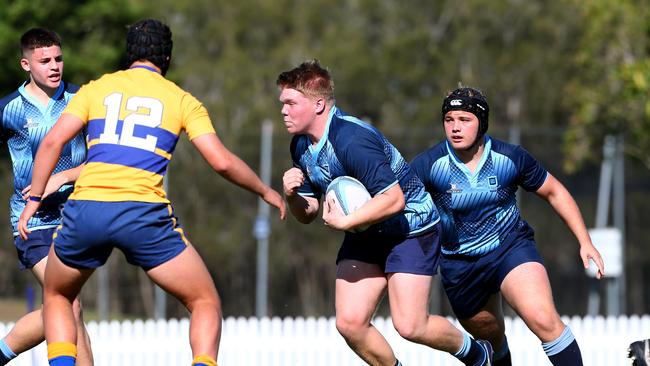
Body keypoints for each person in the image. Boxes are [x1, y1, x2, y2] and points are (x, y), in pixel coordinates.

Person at [18, 18, 286, 366]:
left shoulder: (97, 88)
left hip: (87, 209)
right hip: (142, 214)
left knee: (57, 294)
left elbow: (52, 141)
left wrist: (34, 201)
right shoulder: (182, 100)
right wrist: (264, 190)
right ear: (167, 59)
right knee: (205, 302)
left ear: (128, 55)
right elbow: (221, 162)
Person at [279, 60, 493, 366]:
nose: (284, 111)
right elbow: (309, 212)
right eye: (282, 103)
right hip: (366, 231)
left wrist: (346, 221)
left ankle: (476, 353)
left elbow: (394, 200)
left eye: (290, 103)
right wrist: (292, 196)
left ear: (318, 104)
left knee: (410, 325)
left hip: (410, 228)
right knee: (349, 324)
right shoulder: (300, 146)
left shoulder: (352, 140)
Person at [410, 86, 606, 366]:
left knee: (543, 319)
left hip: (510, 248)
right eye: (449, 119)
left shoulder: (509, 158)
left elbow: (554, 192)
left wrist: (585, 241)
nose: (455, 127)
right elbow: (397, 203)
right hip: (460, 265)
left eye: (464, 120)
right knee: (492, 342)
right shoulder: (429, 164)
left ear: (482, 123)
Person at [0, 27, 93, 365]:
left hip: (78, 217)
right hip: (31, 219)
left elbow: (105, 159)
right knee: (68, 302)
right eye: (44, 61)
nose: (54, 66)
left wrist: (63, 177)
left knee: (65, 309)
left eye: (58, 58)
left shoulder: (82, 100)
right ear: (26, 65)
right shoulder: (7, 109)